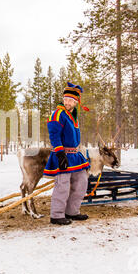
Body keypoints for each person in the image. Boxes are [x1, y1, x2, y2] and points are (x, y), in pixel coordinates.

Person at [43, 82, 90, 225]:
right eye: (66, 99)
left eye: (71, 100)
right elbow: (54, 134)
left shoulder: (73, 116)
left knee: (81, 182)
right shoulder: (58, 114)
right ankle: (56, 215)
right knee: (62, 185)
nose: (67, 102)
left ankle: (72, 211)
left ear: (76, 102)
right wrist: (59, 153)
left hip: (75, 156)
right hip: (62, 155)